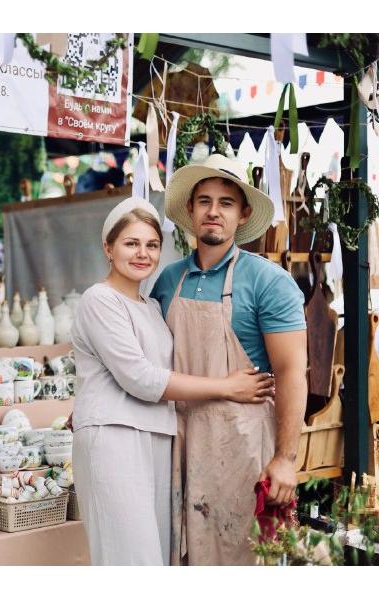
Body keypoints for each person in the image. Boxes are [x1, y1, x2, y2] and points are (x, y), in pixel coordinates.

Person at [70, 196, 274, 566]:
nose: (142, 254)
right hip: (114, 438)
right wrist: (226, 387)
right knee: (132, 562)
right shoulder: (99, 300)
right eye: (131, 243)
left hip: (158, 437)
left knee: (158, 559)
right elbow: (141, 378)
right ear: (108, 247)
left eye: (151, 245)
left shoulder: (150, 306)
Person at [150, 153, 308, 565]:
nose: (213, 212)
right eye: (204, 201)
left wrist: (286, 460)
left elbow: (292, 373)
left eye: (225, 202)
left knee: (243, 560)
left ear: (242, 214)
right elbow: (146, 365)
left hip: (241, 447)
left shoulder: (267, 280)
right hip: (178, 442)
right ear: (190, 210)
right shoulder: (168, 280)